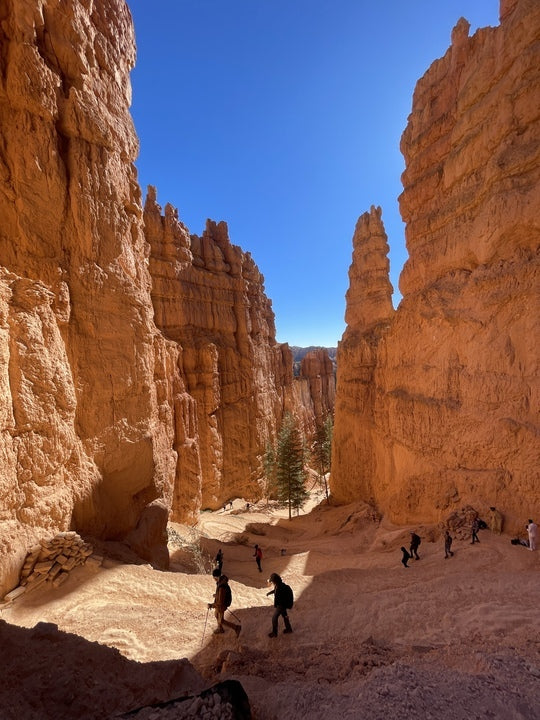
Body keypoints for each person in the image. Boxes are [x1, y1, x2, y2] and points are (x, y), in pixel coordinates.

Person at [208, 569, 241, 637]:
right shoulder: (220, 583)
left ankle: (236, 628)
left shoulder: (222, 586)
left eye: (214, 577)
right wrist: (216, 595)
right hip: (220, 604)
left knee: (221, 620)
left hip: (222, 605)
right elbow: (220, 595)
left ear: (216, 577)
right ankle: (220, 628)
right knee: (216, 614)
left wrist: (211, 605)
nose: (213, 579)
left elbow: (220, 602)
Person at [266, 573, 293, 637]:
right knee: (285, 616)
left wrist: (279, 606)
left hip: (281, 606)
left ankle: (274, 633)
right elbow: (275, 590)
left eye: (272, 581)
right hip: (282, 605)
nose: (272, 582)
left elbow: (279, 595)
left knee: (274, 618)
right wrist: (270, 593)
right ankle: (289, 629)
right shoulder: (278, 585)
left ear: (275, 581)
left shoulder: (280, 587)